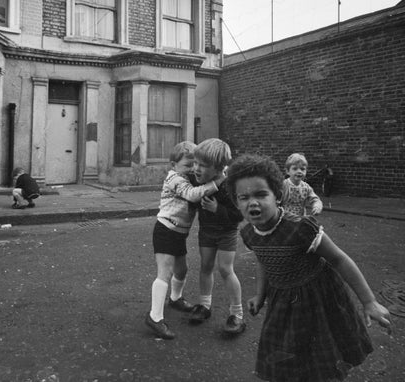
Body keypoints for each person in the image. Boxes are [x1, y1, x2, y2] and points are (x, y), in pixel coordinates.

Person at [226, 154, 391, 381]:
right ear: (236, 202)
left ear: (278, 196)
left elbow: (339, 259)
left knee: (320, 353)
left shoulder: (300, 228)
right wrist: (260, 295)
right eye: (243, 197)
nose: (252, 202)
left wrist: (369, 301)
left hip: (317, 298)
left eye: (261, 194)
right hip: (281, 300)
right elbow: (263, 261)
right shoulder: (248, 233)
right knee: (284, 349)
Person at [145, 141, 225, 340]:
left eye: (195, 165)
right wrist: (217, 182)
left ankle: (175, 298)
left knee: (182, 269)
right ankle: (155, 317)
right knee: (165, 272)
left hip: (179, 233)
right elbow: (192, 195)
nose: (193, 169)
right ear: (173, 165)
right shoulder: (175, 179)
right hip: (165, 229)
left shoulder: (188, 178)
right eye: (187, 166)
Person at [189, 138, 246, 335]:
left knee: (225, 269)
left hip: (226, 233)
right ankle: (205, 306)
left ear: (219, 167)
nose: (196, 168)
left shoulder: (229, 186)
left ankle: (237, 314)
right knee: (205, 266)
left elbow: (239, 215)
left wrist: (217, 209)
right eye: (195, 163)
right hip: (206, 231)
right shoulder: (198, 180)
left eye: (202, 165)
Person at [282, 153, 323, 219]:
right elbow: (275, 200)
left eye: (302, 169)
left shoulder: (306, 187)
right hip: (285, 219)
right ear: (287, 171)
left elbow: (315, 199)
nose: (299, 171)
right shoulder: (284, 185)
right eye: (295, 169)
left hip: (300, 220)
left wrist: (317, 206)